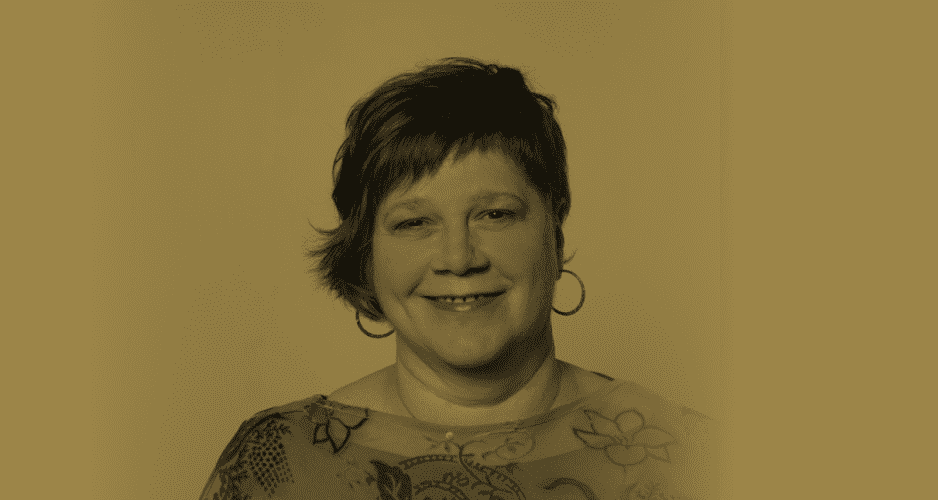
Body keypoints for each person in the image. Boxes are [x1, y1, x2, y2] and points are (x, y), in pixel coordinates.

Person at [200, 58, 713, 500]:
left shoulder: (696, 459)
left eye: (495, 214)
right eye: (414, 223)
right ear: (366, 254)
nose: (458, 258)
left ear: (553, 234)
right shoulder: (279, 465)